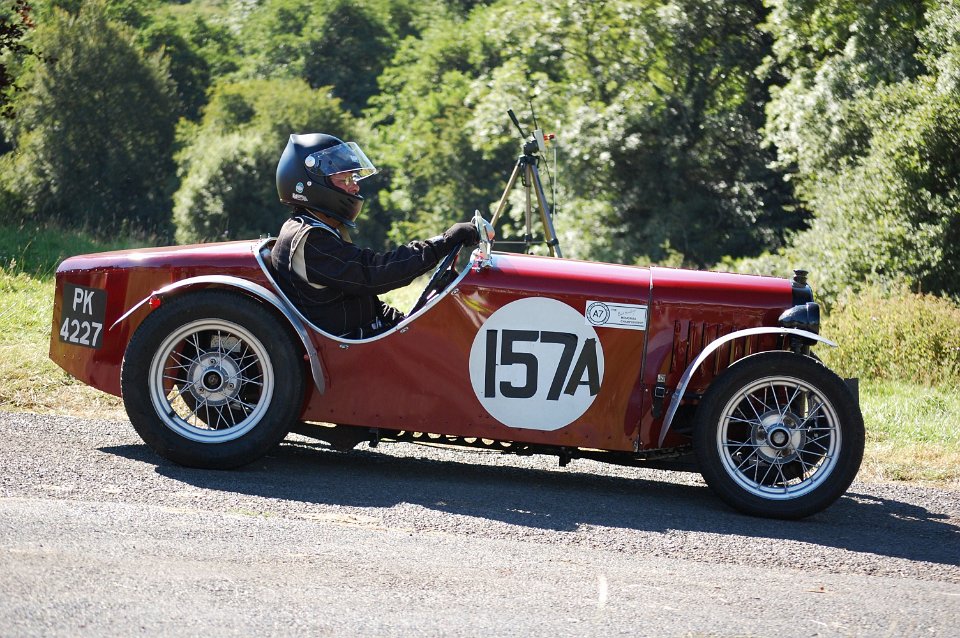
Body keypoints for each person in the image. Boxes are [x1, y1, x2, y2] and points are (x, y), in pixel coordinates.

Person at [272, 133, 480, 339]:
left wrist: (399, 320)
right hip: (349, 353)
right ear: (309, 184)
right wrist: (444, 242)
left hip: (362, 338)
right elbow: (373, 273)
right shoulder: (309, 240)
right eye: (344, 179)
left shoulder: (318, 228)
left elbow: (355, 296)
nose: (355, 186)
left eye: (353, 178)